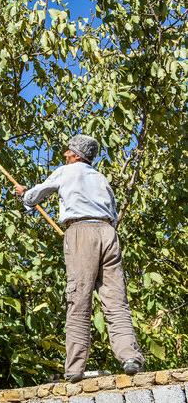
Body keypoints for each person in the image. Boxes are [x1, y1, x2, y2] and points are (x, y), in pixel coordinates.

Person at [14, 134, 144, 383]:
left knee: (79, 301)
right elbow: (113, 213)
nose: (64, 154)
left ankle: (74, 368)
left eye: (67, 151)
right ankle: (130, 357)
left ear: (75, 154)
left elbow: (35, 196)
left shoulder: (66, 172)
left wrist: (23, 194)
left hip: (81, 232)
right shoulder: (100, 178)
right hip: (108, 233)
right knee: (115, 300)